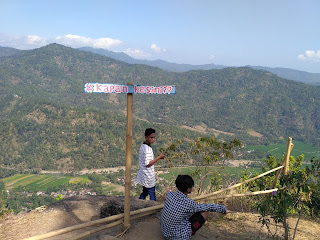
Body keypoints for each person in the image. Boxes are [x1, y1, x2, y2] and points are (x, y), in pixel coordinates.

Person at [160, 175, 227, 240]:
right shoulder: (188, 203)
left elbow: (169, 192)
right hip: (178, 237)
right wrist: (222, 209)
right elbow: (207, 207)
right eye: (192, 187)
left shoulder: (169, 195)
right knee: (205, 212)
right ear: (188, 189)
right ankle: (189, 232)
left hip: (165, 233)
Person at [136, 128, 165, 201]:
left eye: (154, 137)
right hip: (148, 175)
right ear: (146, 137)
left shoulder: (143, 146)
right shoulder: (147, 149)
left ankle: (139, 202)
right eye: (151, 137)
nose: (153, 139)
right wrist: (159, 157)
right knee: (152, 194)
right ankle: (153, 209)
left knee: (145, 192)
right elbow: (148, 164)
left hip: (143, 174)